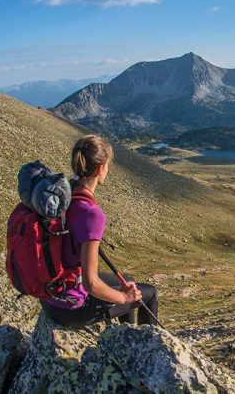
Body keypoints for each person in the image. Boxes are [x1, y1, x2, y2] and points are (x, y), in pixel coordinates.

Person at [42, 134, 159, 327]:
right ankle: (146, 348)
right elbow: (91, 284)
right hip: (71, 309)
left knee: (128, 281)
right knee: (149, 293)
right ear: (99, 169)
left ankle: (124, 335)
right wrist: (124, 299)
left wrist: (123, 293)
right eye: (108, 166)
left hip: (51, 297)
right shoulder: (91, 214)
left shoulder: (64, 196)